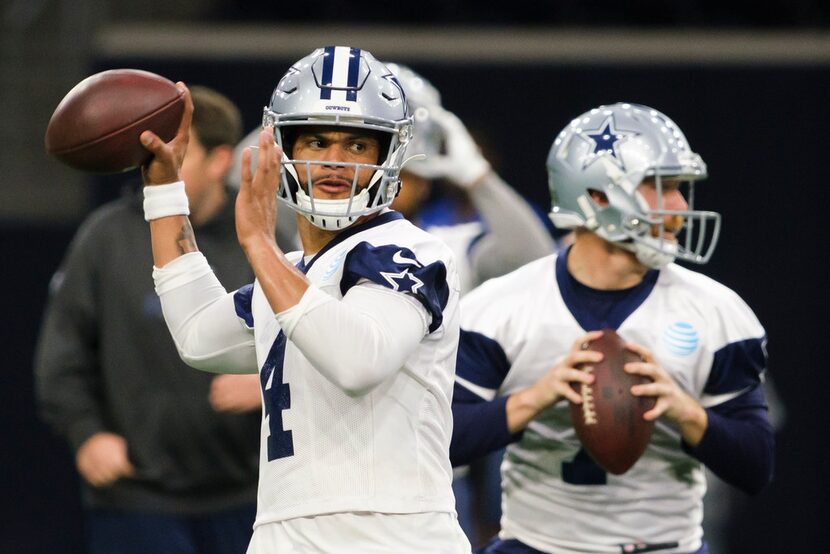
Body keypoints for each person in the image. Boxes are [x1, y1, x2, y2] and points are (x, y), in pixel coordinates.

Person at [138, 46, 471, 553]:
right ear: (283, 146)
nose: (335, 162)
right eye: (317, 140)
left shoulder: (409, 250)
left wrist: (259, 244)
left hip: (391, 535)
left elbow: (358, 361)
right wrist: (165, 193)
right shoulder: (292, 272)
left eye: (357, 145)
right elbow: (198, 335)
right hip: (282, 533)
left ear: (388, 155)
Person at [450, 102, 774, 554]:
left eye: (681, 189)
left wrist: (685, 411)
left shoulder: (717, 311)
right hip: (538, 545)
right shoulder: (502, 307)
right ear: (598, 196)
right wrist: (534, 399)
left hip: (668, 546)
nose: (680, 207)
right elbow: (439, 444)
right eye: (663, 188)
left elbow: (756, 466)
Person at [34, 86, 262, 554]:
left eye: (180, 152)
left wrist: (269, 379)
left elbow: (316, 339)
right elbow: (62, 354)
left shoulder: (264, 234)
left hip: (252, 495)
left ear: (220, 161)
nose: (162, 162)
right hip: (136, 498)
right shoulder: (105, 237)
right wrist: (87, 434)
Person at [383, 62, 557, 546]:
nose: (393, 184)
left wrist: (477, 176)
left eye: (406, 171)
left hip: (433, 466)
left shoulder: (449, 243)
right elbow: (237, 176)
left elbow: (536, 258)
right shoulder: (314, 244)